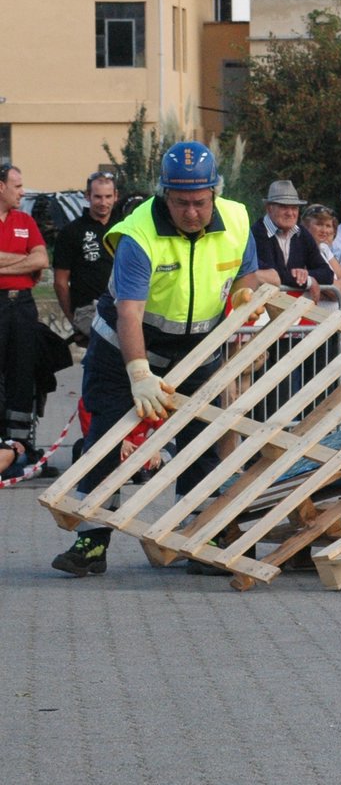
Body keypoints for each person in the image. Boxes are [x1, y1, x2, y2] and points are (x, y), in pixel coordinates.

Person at [51, 142, 261, 577]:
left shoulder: (238, 219)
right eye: (181, 203)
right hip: (123, 348)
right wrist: (139, 373)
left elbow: (247, 272)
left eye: (200, 203)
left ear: (214, 194)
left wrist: (246, 291)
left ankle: (201, 534)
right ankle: (91, 540)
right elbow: (129, 311)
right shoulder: (138, 234)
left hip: (196, 351)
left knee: (201, 441)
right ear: (165, 194)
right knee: (108, 438)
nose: (191, 213)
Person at [0, 164, 49, 455]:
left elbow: (41, 259)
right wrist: (22, 258)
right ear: (1, 187)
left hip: (24, 305)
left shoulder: (25, 220)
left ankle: (21, 445)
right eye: (17, 186)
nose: (23, 191)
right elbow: (31, 259)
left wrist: (7, 261)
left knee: (23, 372)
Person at [53, 170, 119, 342]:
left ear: (116, 196)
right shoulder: (71, 232)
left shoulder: (126, 229)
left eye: (108, 196)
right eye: (97, 197)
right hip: (88, 310)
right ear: (87, 196)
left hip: (123, 307)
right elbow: (60, 282)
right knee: (112, 347)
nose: (103, 202)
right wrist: (72, 320)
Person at [251, 179, 332, 296]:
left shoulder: (302, 234)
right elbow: (273, 275)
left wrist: (304, 273)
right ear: (269, 208)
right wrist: (309, 281)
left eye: (294, 208)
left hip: (292, 308)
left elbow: (327, 273)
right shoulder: (257, 233)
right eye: (284, 207)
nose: (290, 213)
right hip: (261, 308)